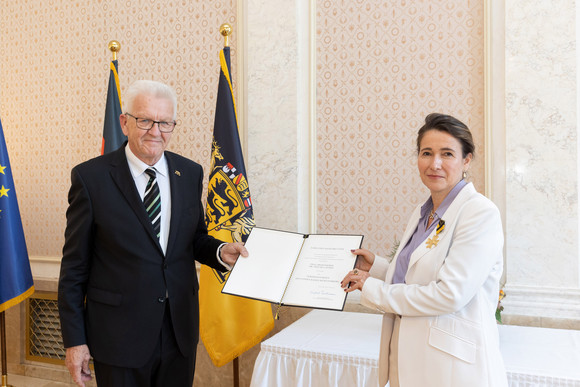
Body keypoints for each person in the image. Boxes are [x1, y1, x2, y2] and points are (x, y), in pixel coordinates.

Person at [58, 80, 248, 387]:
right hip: (118, 336)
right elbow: (74, 268)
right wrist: (74, 341)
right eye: (145, 120)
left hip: (178, 331)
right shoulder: (91, 178)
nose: (155, 131)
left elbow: (193, 238)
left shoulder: (189, 173)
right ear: (125, 122)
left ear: (173, 125)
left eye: (165, 122)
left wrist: (218, 251)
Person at [341, 113, 508, 387]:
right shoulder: (423, 213)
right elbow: (419, 274)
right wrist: (379, 267)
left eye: (447, 154)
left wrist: (371, 288)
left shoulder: (479, 213)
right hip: (411, 362)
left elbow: (450, 294)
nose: (435, 164)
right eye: (426, 153)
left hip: (452, 370)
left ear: (466, 160)